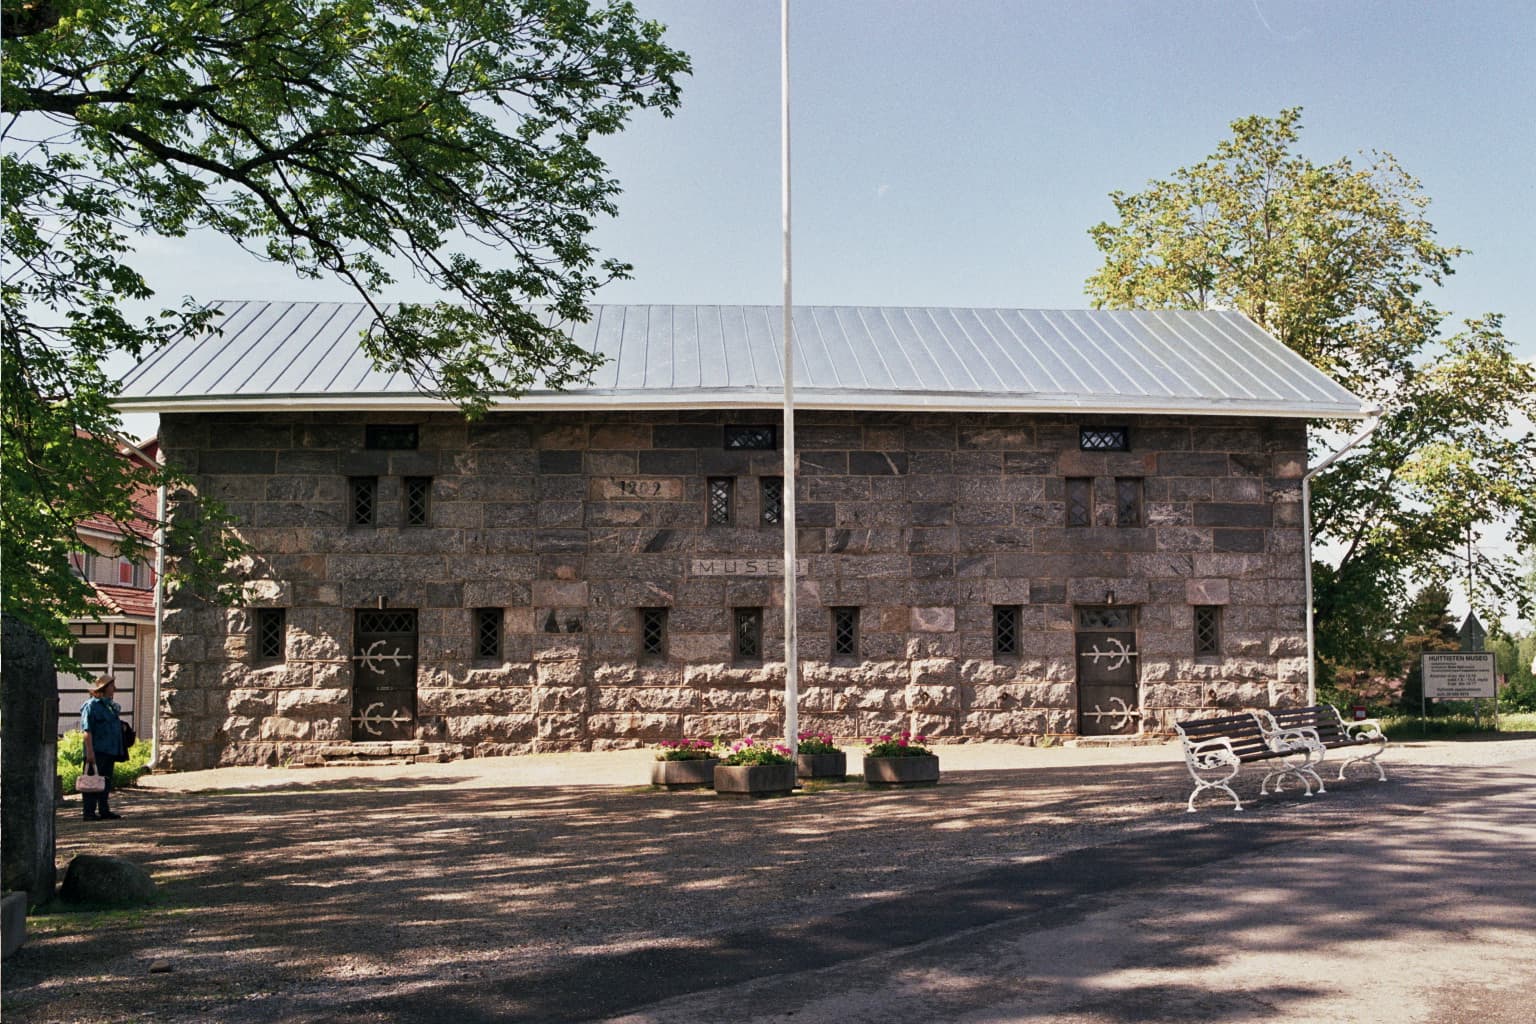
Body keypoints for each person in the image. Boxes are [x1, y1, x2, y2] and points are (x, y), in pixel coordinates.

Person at [80, 676, 126, 821]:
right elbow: (87, 730)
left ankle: (104, 810)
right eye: (112, 686)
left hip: (110, 750)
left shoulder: (110, 707)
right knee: (91, 782)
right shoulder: (91, 705)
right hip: (97, 750)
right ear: (104, 688)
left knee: (105, 781)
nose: (115, 689)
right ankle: (89, 812)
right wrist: (90, 752)